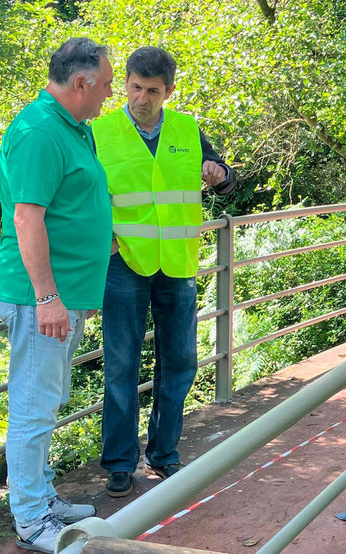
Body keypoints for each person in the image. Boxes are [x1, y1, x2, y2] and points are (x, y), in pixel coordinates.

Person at [94, 46, 237, 498]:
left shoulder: (187, 129)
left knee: (179, 362)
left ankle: (163, 455)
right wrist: (105, 242)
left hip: (177, 264)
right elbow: (80, 195)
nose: (141, 97)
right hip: (124, 264)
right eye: (135, 87)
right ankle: (120, 463)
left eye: (152, 91)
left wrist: (220, 174)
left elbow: (226, 179)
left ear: (169, 91)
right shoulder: (99, 131)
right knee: (121, 364)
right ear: (126, 84)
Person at [0, 38, 114, 553]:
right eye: (106, 85)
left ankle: (41, 497)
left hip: (61, 294)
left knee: (46, 401)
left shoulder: (72, 127)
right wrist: (47, 298)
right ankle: (31, 519)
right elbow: (27, 216)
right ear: (80, 82)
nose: (110, 94)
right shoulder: (40, 131)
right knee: (33, 406)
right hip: (38, 297)